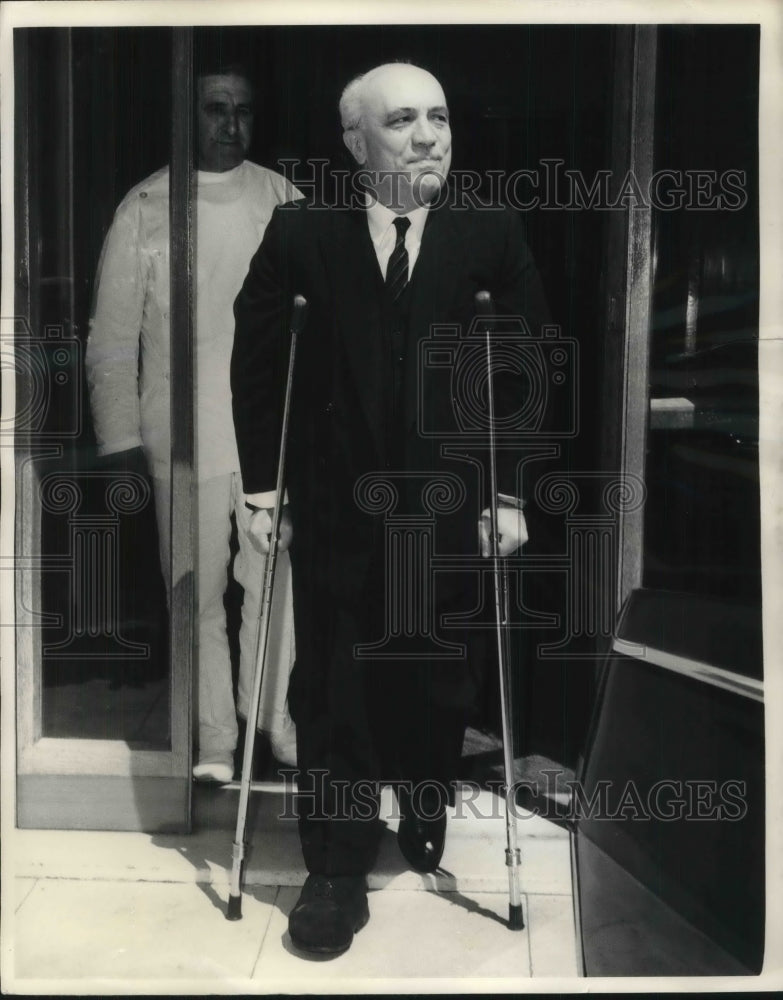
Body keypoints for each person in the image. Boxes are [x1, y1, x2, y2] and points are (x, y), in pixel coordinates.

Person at [231, 62, 550, 955]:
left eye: (439, 118)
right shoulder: (302, 234)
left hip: (445, 509)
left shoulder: (489, 232)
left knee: (435, 676)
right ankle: (334, 867)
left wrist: (510, 488)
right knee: (333, 688)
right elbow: (258, 366)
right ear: (355, 142)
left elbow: (525, 368)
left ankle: (422, 804)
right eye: (403, 119)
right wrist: (266, 486)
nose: (428, 136)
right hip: (336, 504)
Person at [86, 62, 301, 783]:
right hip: (183, 435)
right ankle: (211, 740)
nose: (230, 124)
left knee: (273, 587)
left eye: (242, 109)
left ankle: (275, 726)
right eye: (216, 109)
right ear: (189, 117)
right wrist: (119, 441)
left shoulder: (283, 199)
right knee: (198, 595)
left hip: (269, 434)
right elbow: (113, 339)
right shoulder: (146, 206)